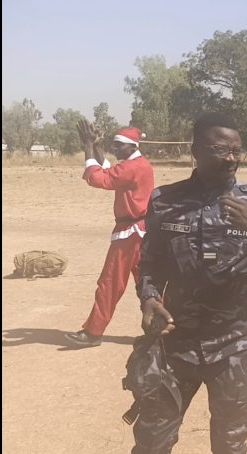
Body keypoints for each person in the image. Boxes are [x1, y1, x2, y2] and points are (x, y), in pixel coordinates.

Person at [133, 112, 247, 454]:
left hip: (235, 342)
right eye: (221, 150)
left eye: (237, 151)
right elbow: (149, 263)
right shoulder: (165, 201)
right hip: (174, 342)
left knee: (231, 444)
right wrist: (147, 298)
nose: (232, 158)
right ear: (196, 150)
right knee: (151, 441)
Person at [66, 121, 155, 347]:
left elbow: (99, 178)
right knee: (147, 283)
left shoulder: (132, 168)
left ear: (131, 146)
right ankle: (162, 331)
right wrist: (97, 147)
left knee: (110, 283)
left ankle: (93, 333)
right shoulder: (137, 165)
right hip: (141, 232)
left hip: (129, 235)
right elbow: (111, 171)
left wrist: (87, 145)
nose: (115, 150)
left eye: (118, 146)